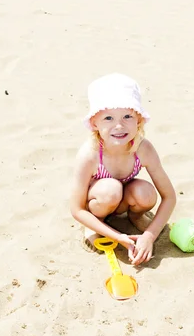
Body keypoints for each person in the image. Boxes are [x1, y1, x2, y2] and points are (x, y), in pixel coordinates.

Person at [70, 73, 176, 266]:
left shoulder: (144, 150)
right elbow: (76, 209)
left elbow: (169, 197)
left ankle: (134, 216)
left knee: (146, 193)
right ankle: (96, 225)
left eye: (127, 116)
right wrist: (118, 237)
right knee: (110, 189)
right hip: (100, 201)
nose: (119, 125)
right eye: (108, 118)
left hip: (124, 199)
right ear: (95, 123)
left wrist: (149, 237)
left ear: (139, 121)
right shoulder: (90, 154)